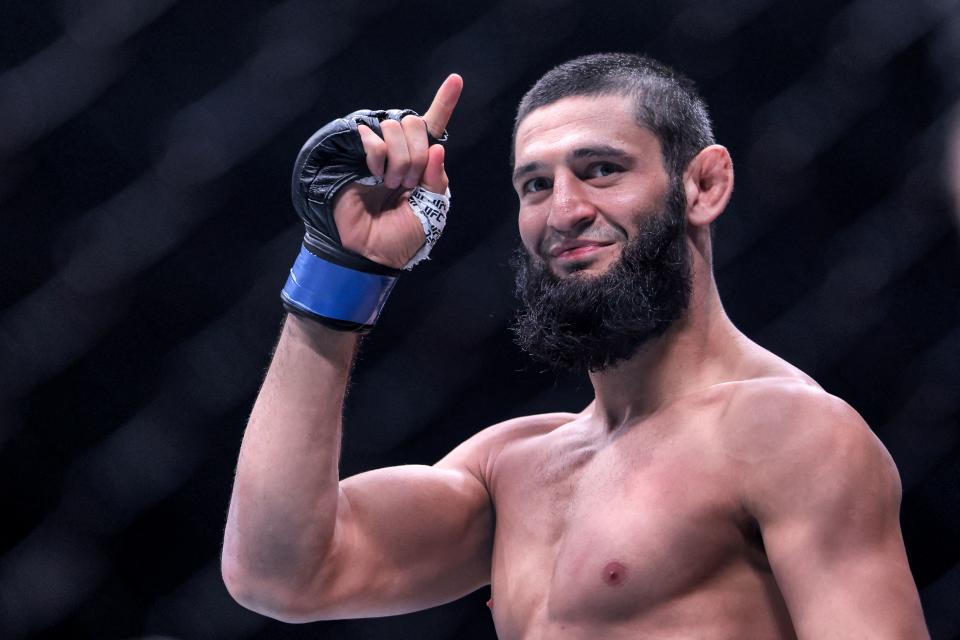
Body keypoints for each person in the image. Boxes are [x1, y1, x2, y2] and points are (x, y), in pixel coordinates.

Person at [221, 53, 929, 638]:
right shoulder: (514, 468)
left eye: (601, 170)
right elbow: (279, 574)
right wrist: (341, 271)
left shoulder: (789, 433)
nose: (564, 211)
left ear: (704, 184)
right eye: (536, 184)